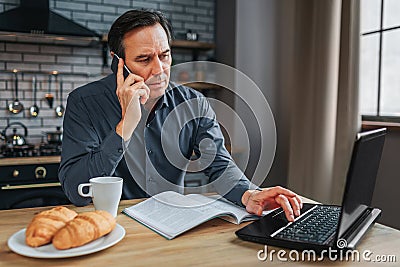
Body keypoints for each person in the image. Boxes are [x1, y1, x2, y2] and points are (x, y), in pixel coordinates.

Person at [59, 10, 302, 222]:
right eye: (144, 59)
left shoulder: (193, 103)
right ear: (117, 63)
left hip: (170, 224)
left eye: (164, 55)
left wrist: (249, 195)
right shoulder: (84, 103)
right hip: (109, 227)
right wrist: (125, 126)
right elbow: (75, 190)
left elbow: (219, 164)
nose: (159, 69)